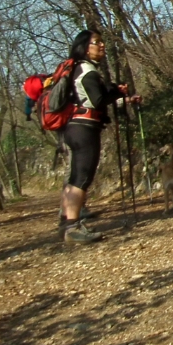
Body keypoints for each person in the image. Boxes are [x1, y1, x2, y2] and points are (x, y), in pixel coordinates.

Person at [59, 29, 140, 243]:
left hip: (74, 127)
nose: (102, 45)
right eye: (97, 42)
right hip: (84, 128)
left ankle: (66, 221)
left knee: (74, 178)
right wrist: (117, 92)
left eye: (102, 42)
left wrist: (118, 95)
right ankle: (73, 227)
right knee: (82, 179)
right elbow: (97, 100)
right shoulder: (88, 71)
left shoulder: (77, 69)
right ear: (85, 47)